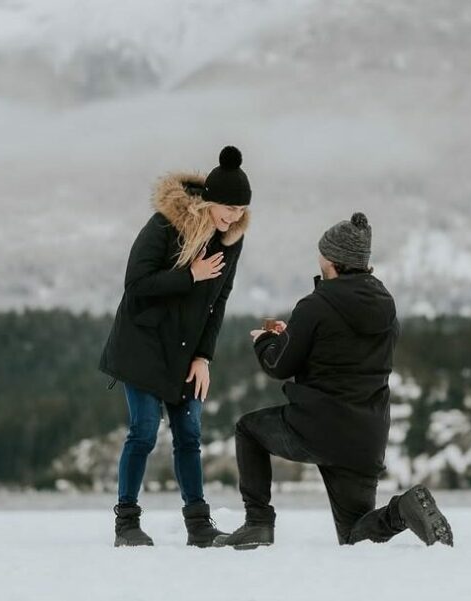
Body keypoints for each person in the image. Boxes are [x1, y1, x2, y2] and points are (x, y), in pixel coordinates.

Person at [214, 212, 453, 549]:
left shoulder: (316, 305)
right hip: (365, 437)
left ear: (332, 260)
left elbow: (278, 366)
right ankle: (402, 509)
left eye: (322, 254)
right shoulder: (386, 307)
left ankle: (257, 524)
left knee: (248, 430)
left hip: (317, 427)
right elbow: (345, 354)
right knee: (356, 536)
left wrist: (264, 342)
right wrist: (294, 336)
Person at [99, 146, 252, 547]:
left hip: (186, 352)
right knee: (144, 432)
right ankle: (126, 524)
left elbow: (218, 303)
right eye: (228, 207)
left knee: (189, 434)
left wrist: (204, 356)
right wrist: (191, 275)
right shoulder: (165, 225)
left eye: (241, 209)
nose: (233, 216)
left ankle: (198, 526)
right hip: (143, 345)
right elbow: (137, 286)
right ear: (210, 200)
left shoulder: (231, 240)